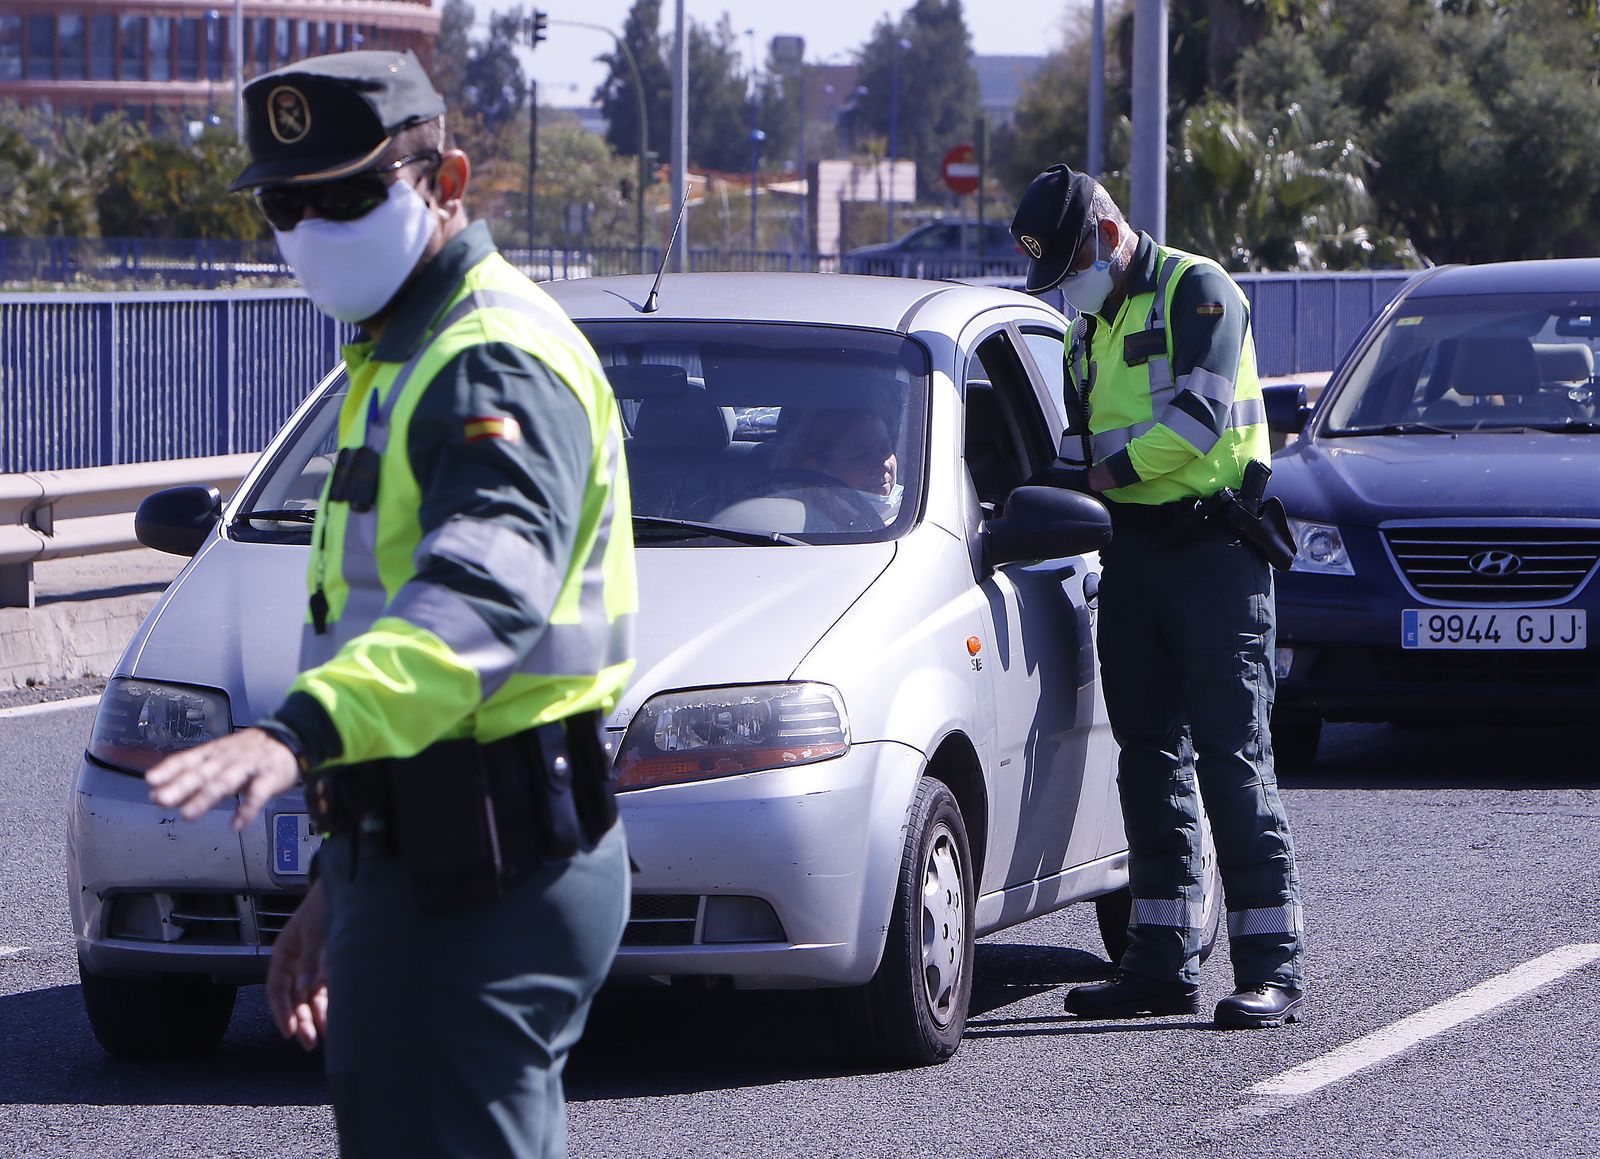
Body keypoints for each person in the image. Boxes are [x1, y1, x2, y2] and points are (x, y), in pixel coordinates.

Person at [145, 49, 637, 1154]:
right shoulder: (395, 355)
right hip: (423, 858)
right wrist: (345, 876)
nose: (314, 226)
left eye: (354, 193)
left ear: (447, 179)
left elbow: (481, 594)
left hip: (490, 872)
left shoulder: (488, 358)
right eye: (287, 201)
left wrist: (300, 733)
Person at [1009, 164, 1305, 1029]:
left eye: (1072, 269)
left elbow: (1198, 422)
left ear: (1105, 234)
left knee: (1233, 759)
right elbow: (1072, 446)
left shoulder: (1198, 291)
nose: (1070, 290)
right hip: (1133, 559)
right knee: (1146, 757)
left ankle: (1272, 966)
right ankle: (1160, 962)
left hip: (1215, 554)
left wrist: (1104, 470)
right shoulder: (1082, 333)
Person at [769, 407, 903, 526]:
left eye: (885, 449)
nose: (883, 465)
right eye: (861, 456)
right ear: (816, 471)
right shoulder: (781, 523)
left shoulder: (913, 521)